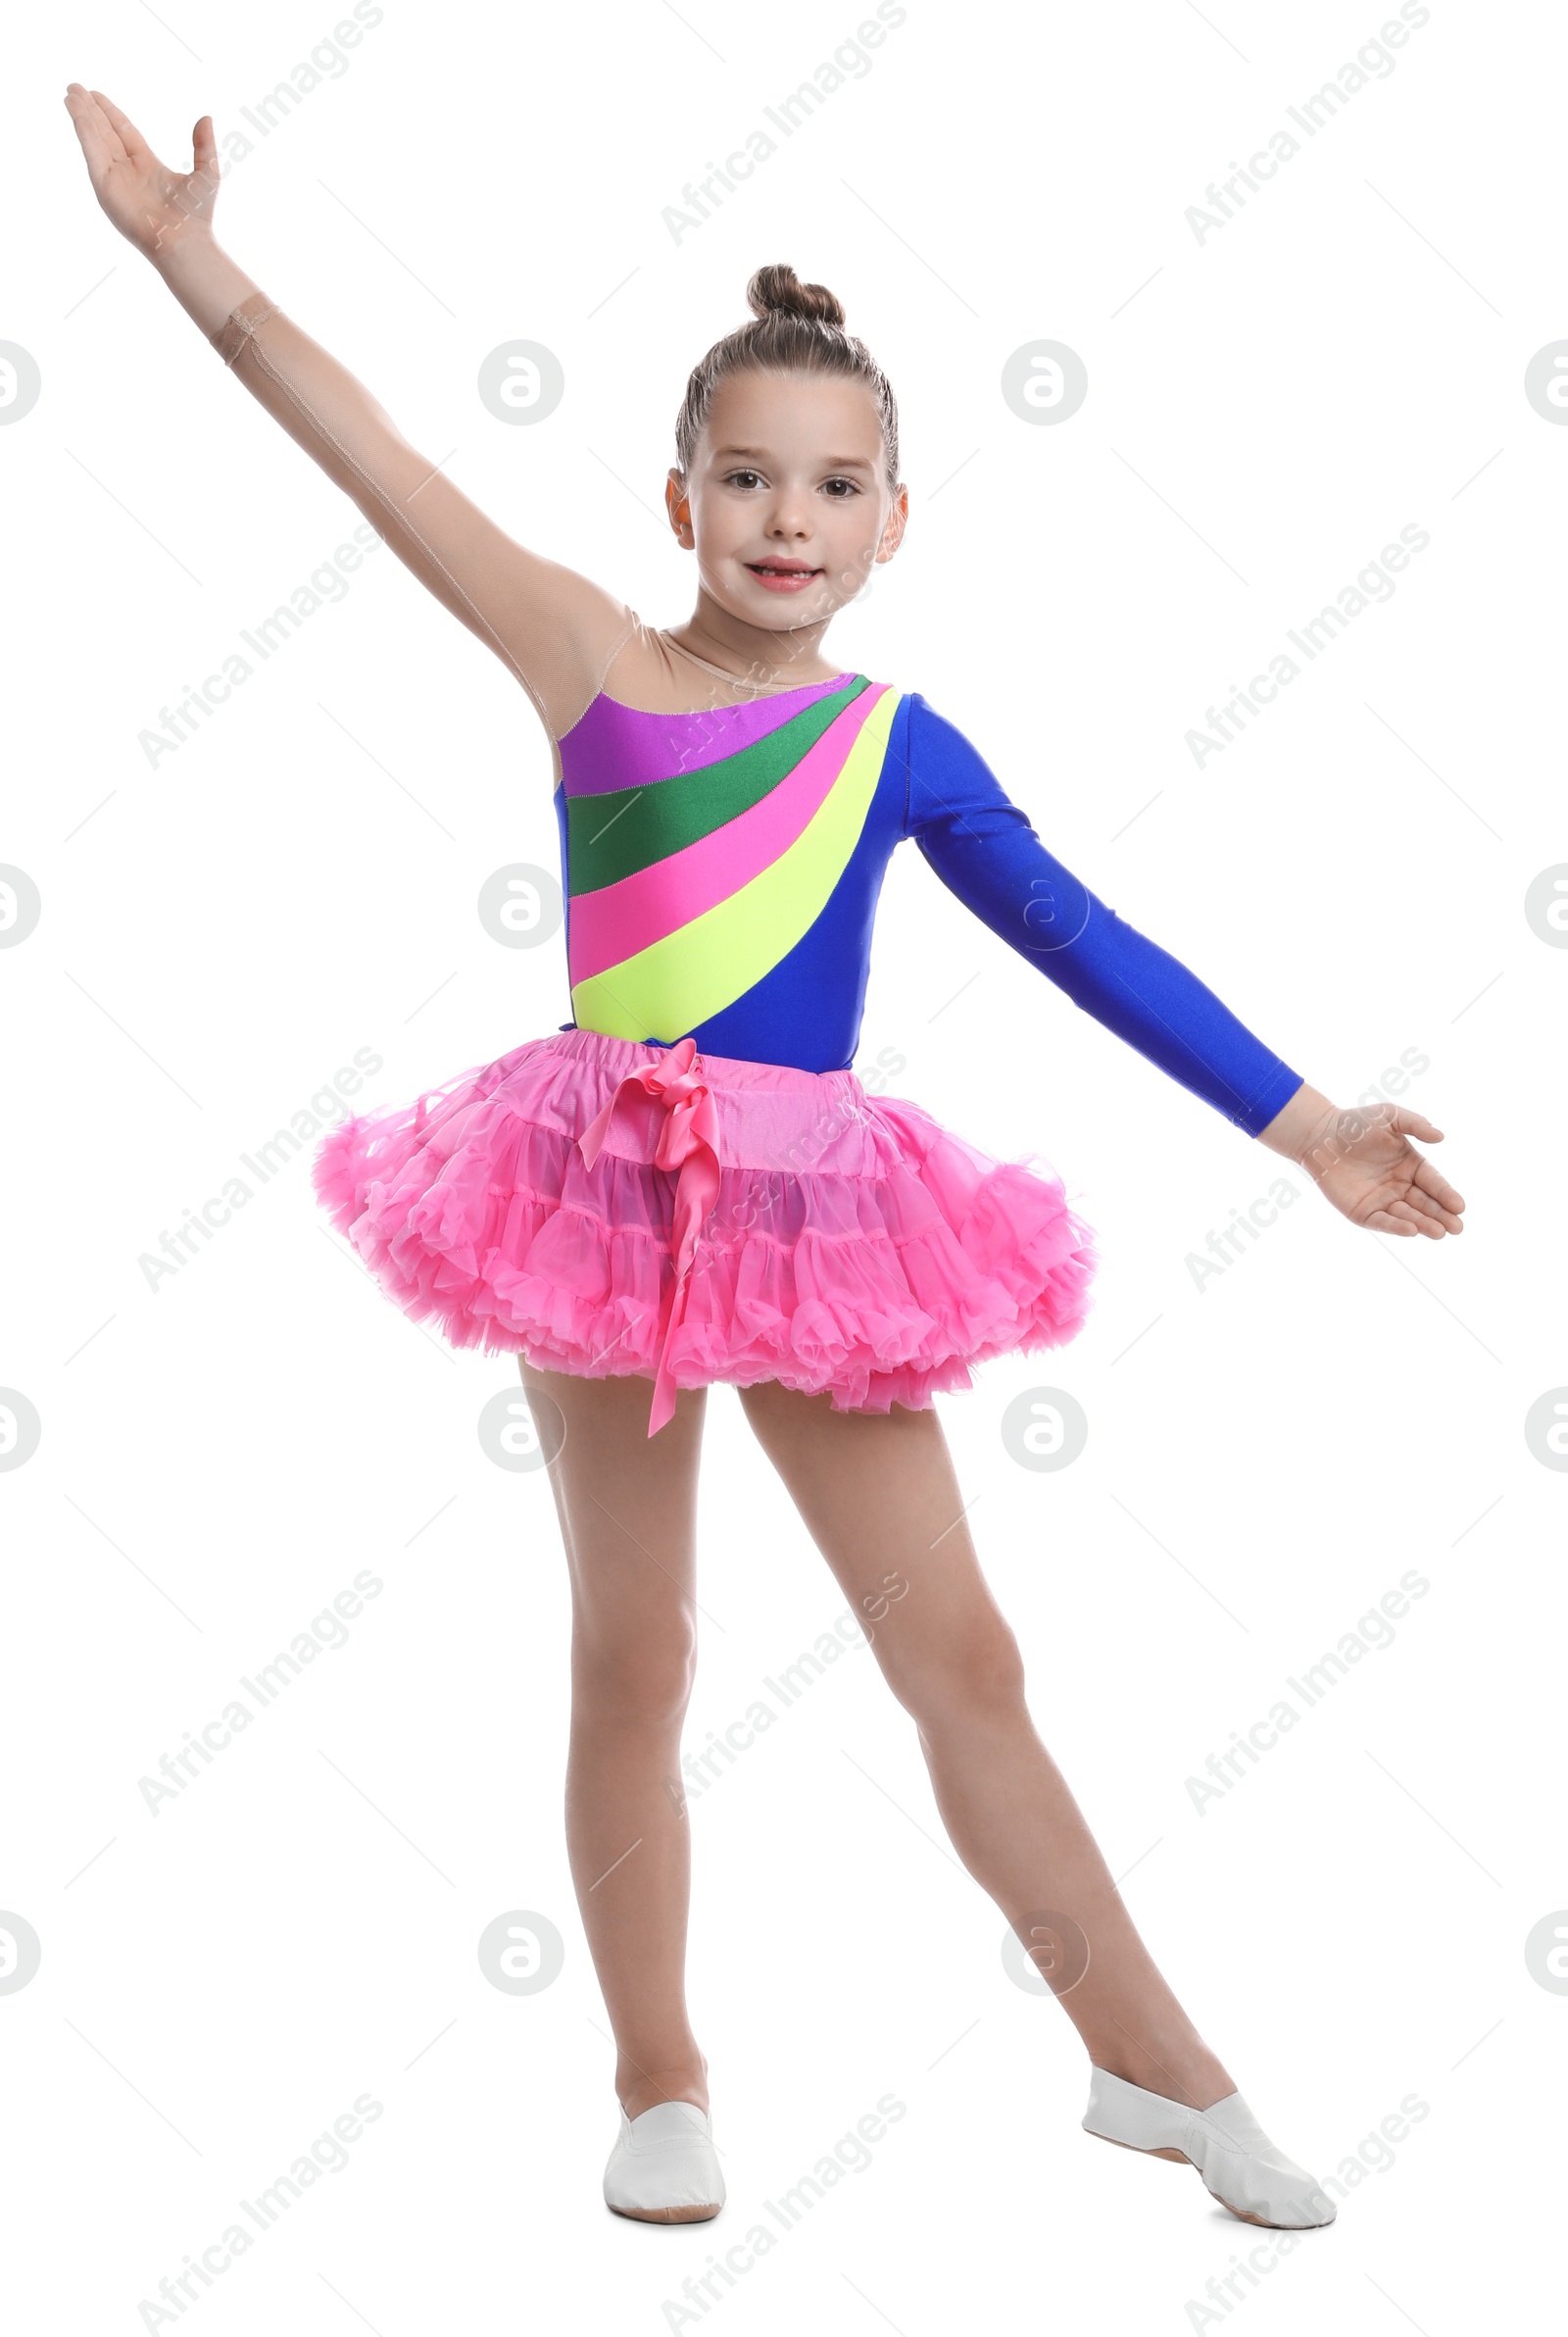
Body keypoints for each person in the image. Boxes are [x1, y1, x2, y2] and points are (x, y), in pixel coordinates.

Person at [66, 84, 1466, 2234]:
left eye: (831, 487)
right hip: (596, 1202)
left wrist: (1304, 1128)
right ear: (680, 496)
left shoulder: (897, 744)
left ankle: (1156, 2070)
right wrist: (189, 264)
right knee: (633, 1651)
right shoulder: (585, 656)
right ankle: (659, 2076)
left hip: (820, 1228)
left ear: (895, 519)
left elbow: (1088, 941)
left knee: (962, 1655)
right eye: (746, 479)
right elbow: (379, 469)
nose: (784, 520)